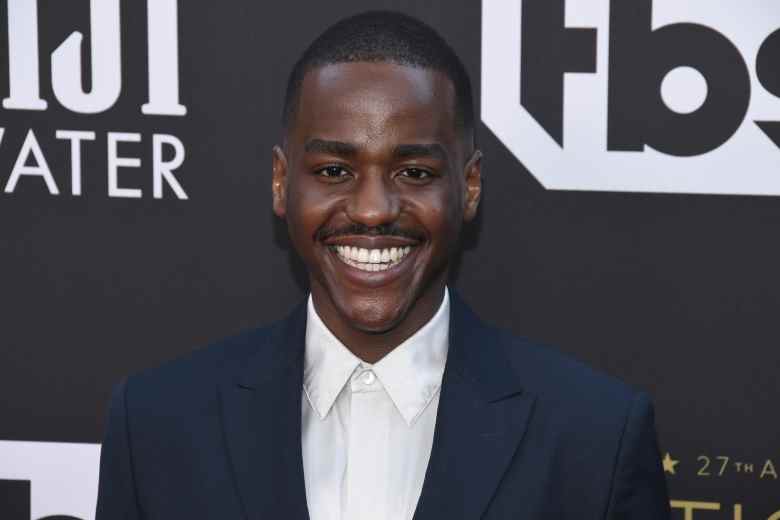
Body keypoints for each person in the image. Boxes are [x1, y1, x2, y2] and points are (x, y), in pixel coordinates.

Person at [95, 10, 670, 520]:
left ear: (468, 187)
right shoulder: (156, 424)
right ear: (280, 181)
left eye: (414, 172)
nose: (372, 211)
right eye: (333, 171)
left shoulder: (595, 438)